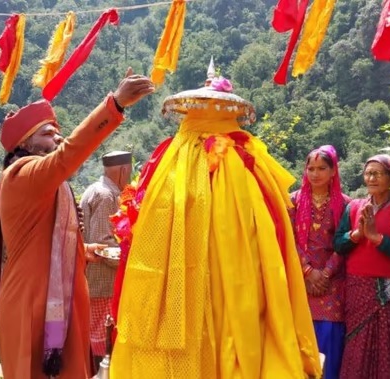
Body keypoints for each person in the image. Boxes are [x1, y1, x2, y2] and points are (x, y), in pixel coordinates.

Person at [110, 63, 322, 378]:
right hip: (240, 274)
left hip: (192, 275)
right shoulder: (248, 161)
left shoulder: (171, 160)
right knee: (237, 306)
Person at [0, 67, 154, 379]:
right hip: (31, 299)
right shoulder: (23, 173)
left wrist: (84, 248)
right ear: (25, 144)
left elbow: (47, 237)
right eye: (47, 133)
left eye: (58, 131)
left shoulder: (48, 181)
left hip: (61, 291)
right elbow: (68, 155)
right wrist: (115, 105)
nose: (58, 137)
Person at [334, 154, 390, 378]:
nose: (371, 178)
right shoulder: (354, 207)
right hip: (357, 286)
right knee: (356, 343)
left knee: (387, 346)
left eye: (377, 173)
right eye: (368, 173)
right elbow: (338, 244)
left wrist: (377, 238)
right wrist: (356, 235)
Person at [289, 145, 349, 379]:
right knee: (299, 341)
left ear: (333, 171)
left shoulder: (345, 205)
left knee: (329, 342)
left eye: (322, 168)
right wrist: (307, 271)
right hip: (300, 281)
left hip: (332, 285)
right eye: (310, 168)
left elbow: (345, 243)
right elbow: (288, 239)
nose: (315, 174)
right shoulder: (292, 201)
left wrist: (324, 274)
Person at [80, 150, 132, 368]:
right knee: (101, 340)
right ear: (123, 170)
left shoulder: (94, 189)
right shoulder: (107, 195)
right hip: (103, 281)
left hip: (91, 278)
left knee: (93, 334)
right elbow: (103, 244)